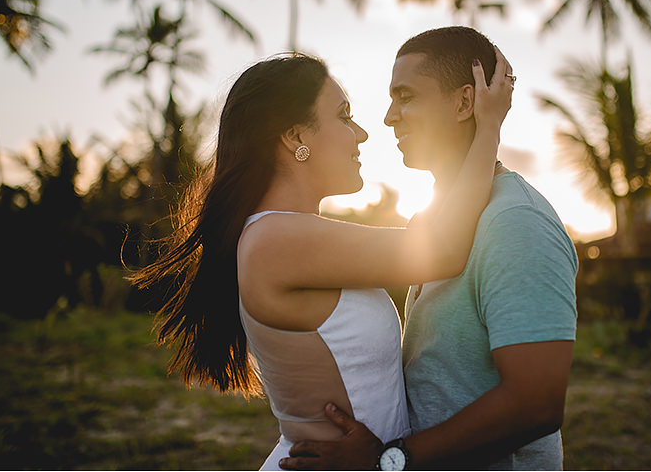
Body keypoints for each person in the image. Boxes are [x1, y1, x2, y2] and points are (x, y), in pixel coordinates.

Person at [128, 49, 514, 471]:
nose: (362, 134)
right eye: (345, 116)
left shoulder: (291, 236)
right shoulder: (276, 240)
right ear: (296, 138)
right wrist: (488, 127)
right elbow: (441, 248)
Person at [279, 26, 579, 471]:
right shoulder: (429, 223)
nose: (388, 117)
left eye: (406, 96)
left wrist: (390, 459)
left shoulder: (516, 221)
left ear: (464, 102)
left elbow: (536, 404)